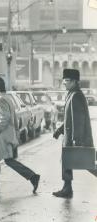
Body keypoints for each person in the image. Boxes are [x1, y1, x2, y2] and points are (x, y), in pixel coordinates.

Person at [0, 77, 40, 194]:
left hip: (1, 135)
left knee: (8, 160)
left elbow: (6, 117)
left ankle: (32, 176)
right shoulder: (6, 98)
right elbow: (12, 116)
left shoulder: (1, 100)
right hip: (5, 134)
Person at [52, 69, 93, 198]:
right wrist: (59, 130)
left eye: (67, 80)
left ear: (75, 81)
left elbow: (78, 120)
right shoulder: (71, 94)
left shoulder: (76, 96)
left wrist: (77, 139)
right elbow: (69, 118)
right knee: (67, 161)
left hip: (75, 138)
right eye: (63, 80)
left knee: (87, 163)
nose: (64, 83)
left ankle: (67, 188)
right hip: (69, 137)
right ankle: (67, 188)